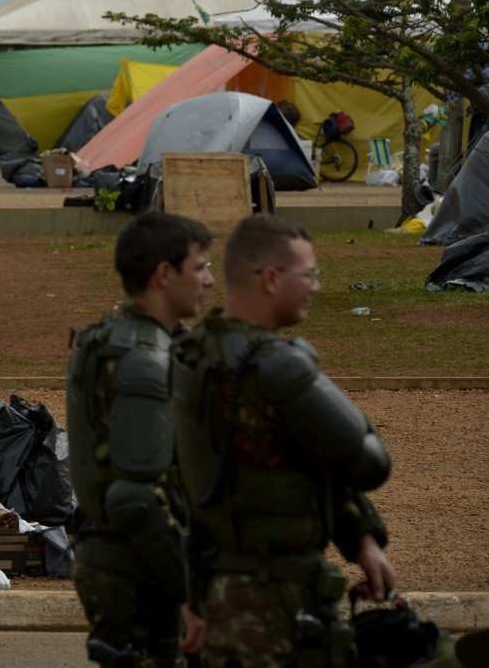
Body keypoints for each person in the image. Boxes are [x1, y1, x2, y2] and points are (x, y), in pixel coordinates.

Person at [171, 214, 394, 667]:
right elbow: (370, 463)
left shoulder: (190, 355)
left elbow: (290, 460)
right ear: (272, 278)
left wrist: (361, 538)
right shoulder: (276, 366)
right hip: (277, 602)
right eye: (309, 274)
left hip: (212, 589)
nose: (315, 285)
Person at [67, 211, 215, 666]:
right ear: (164, 275)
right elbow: (136, 498)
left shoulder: (117, 340)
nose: (209, 281)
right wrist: (187, 593)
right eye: (201, 267)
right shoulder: (143, 359)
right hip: (140, 571)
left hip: (129, 561)